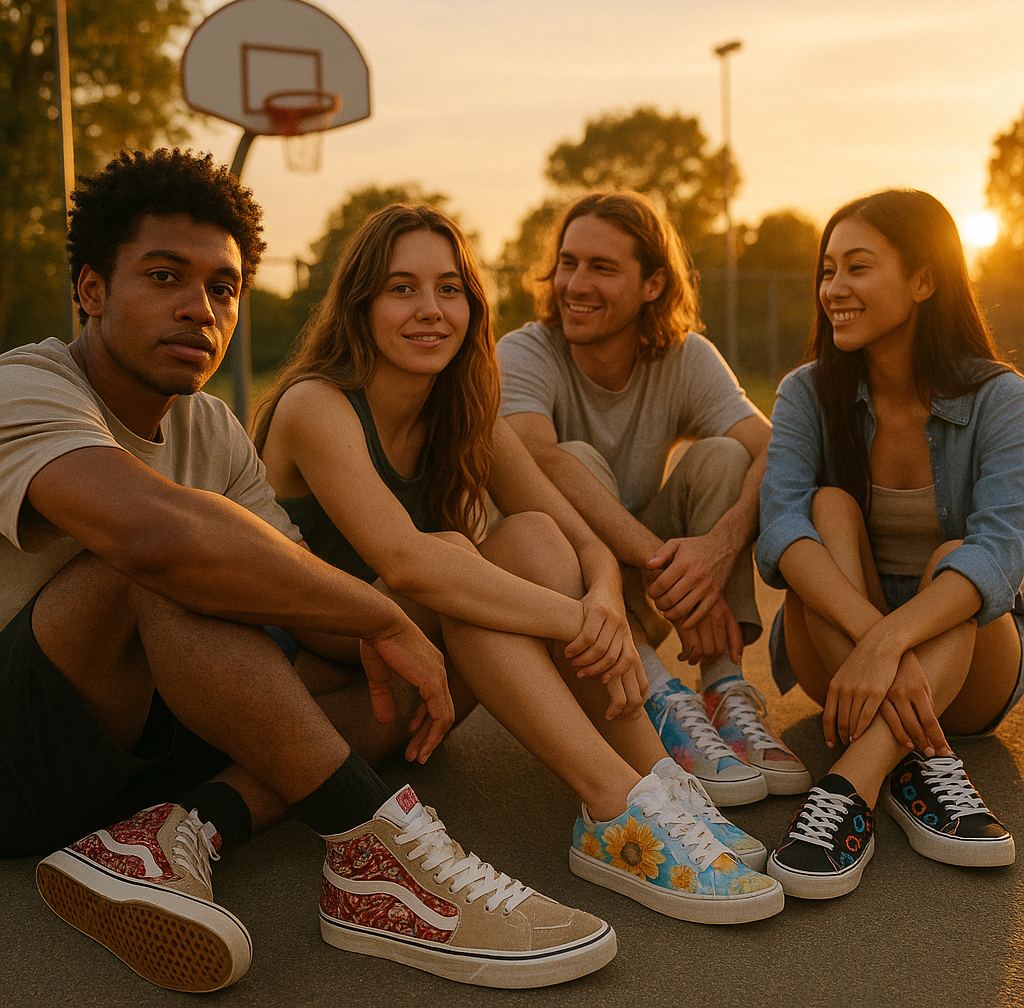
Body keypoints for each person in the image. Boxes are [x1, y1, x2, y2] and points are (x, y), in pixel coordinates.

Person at [0, 149, 620, 993]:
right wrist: (384, 616)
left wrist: (420, 620)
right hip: (19, 758)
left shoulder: (212, 429)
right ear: (92, 290)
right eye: (164, 276)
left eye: (223, 289)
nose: (200, 308)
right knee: (176, 560)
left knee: (403, 659)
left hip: (149, 751)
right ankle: (375, 855)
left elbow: (292, 598)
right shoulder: (27, 383)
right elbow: (156, 538)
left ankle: (171, 835)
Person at [252, 203, 784, 928]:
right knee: (452, 557)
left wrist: (605, 601)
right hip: (322, 660)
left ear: (472, 306)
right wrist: (579, 620)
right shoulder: (315, 404)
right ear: (361, 304)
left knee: (531, 535)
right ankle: (611, 809)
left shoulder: (463, 405)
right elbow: (406, 564)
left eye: (449, 289)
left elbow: (579, 538)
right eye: (403, 288)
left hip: (416, 663)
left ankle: (656, 786)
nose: (430, 309)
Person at [497, 190, 810, 807]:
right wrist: (670, 568)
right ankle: (654, 692)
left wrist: (716, 550)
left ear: (653, 284)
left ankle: (723, 689)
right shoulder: (526, 350)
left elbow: (774, 449)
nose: (575, 284)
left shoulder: (685, 354)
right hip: (570, 592)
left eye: (601, 268)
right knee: (571, 457)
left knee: (726, 456)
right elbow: (535, 457)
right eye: (568, 263)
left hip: (651, 585)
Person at [757, 188, 1023, 900]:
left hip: (973, 668)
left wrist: (892, 643)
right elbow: (780, 529)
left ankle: (853, 784)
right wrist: (877, 644)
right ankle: (917, 768)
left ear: (924, 279)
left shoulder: (1002, 398)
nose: (833, 289)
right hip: (838, 658)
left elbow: (1001, 552)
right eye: (828, 271)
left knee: (955, 560)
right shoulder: (806, 392)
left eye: (858, 267)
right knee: (827, 507)